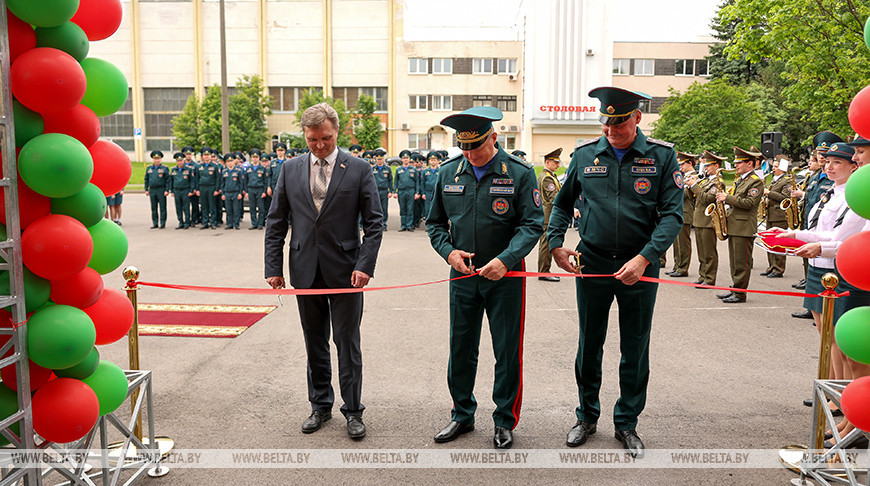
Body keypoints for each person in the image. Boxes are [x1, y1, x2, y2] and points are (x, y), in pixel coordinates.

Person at [547, 87, 682, 457]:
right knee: (589, 343)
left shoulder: (661, 156)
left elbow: (673, 216)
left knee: (634, 347)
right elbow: (561, 205)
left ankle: (626, 422)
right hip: (593, 262)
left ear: (637, 118)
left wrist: (645, 258)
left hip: (640, 265)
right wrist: (555, 243)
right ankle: (586, 416)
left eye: (619, 124)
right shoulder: (585, 154)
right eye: (605, 124)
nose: (611, 131)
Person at [265, 103, 384, 440]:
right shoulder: (290, 169)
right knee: (314, 341)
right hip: (305, 269)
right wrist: (273, 267)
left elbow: (375, 223)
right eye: (313, 139)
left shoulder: (358, 168)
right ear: (304, 136)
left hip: (347, 272)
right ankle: (320, 405)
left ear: (337, 132)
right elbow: (276, 222)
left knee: (347, 342)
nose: (320, 145)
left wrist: (364, 265)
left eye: (326, 138)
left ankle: (353, 410)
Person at [427, 106, 543, 450]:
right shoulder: (449, 172)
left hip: (505, 277)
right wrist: (449, 252)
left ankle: (505, 420)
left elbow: (532, 224)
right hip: (462, 276)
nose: (471, 155)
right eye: (464, 148)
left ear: (493, 138)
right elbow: (435, 224)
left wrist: (506, 260)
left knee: (506, 350)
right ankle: (462, 413)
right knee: (461, 347)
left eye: (476, 147)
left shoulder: (519, 173)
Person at [775, 142, 870, 442]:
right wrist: (795, 235)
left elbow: (851, 237)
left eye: (860, 152)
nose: (855, 157)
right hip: (841, 266)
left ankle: (855, 420)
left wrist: (820, 246)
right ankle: (852, 415)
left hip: (850, 271)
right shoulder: (851, 189)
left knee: (853, 350)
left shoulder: (860, 190)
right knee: (838, 341)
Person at [790, 132, 840, 317]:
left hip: (825, 232)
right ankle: (812, 306)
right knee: (810, 267)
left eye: (825, 154)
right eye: (819, 153)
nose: (821, 157)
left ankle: (820, 308)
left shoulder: (832, 179)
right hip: (811, 228)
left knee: (824, 273)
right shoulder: (815, 176)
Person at [714, 146, 764, 304]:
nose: (736, 165)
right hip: (735, 226)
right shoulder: (741, 180)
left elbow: (749, 203)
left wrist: (727, 198)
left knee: (742, 263)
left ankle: (740, 293)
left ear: (750, 163)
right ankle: (735, 288)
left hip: (744, 228)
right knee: (735, 262)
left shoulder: (756, 181)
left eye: (739, 162)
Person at [685, 151, 725, 287]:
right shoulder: (706, 181)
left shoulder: (718, 183)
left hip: (708, 221)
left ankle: (709, 278)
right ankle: (703, 276)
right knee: (702, 252)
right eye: (705, 165)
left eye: (708, 165)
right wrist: (691, 185)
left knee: (709, 252)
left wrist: (694, 185)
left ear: (716, 166)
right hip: (699, 220)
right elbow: (695, 197)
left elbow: (706, 198)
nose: (706, 168)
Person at [665, 151, 698, 278]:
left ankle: (683, 268)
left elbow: (688, 195)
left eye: (683, 164)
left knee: (684, 243)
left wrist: (675, 190)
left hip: (686, 212)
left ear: (690, 163)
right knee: (677, 242)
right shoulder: (683, 176)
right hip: (678, 211)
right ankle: (677, 266)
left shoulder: (695, 176)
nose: (680, 167)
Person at [761, 154, 791, 278]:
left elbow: (785, 197)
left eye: (776, 166)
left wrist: (768, 193)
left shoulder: (787, 181)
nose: (773, 168)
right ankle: (771, 266)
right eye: (773, 166)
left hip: (779, 216)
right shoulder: (775, 180)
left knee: (778, 243)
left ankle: (778, 268)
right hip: (771, 214)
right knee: (769, 241)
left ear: (783, 167)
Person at [537, 148, 562, 281]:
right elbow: (555, 198)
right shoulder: (547, 178)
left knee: (546, 243)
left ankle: (545, 270)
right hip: (548, 216)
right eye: (555, 162)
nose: (558, 165)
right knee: (546, 244)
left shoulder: (549, 176)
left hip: (548, 215)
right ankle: (543, 271)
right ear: (547, 162)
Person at [393, 149, 420, 232]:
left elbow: (417, 182)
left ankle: (409, 225)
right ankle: (403, 225)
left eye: (407, 158)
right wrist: (395, 192)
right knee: (402, 209)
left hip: (411, 191)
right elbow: (396, 181)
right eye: (404, 158)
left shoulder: (413, 169)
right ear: (402, 159)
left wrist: (417, 192)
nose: (405, 159)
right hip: (401, 191)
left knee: (410, 209)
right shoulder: (398, 169)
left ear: (409, 159)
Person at [195, 147, 222, 230]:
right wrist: (197, 189)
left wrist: (217, 189)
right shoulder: (199, 166)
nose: (206, 156)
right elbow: (196, 179)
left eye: (208, 155)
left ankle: (213, 222)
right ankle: (205, 222)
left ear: (211, 156)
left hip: (211, 187)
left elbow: (218, 179)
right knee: (204, 206)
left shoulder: (215, 166)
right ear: (202, 156)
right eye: (205, 155)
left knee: (212, 206)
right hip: (202, 187)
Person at [144, 150, 169, 229]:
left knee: (162, 208)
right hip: (152, 190)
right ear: (153, 159)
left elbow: (168, 180)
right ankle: (155, 223)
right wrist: (146, 189)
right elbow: (146, 179)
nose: (157, 160)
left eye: (158, 158)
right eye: (155, 159)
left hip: (161, 190)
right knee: (154, 208)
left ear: (161, 159)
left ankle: (162, 223)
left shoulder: (164, 168)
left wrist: (167, 190)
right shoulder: (149, 168)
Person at [221, 153, 246, 230]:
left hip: (236, 192)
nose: (230, 163)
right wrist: (223, 194)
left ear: (234, 161)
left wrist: (240, 193)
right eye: (228, 161)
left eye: (231, 161)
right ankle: (229, 224)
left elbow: (241, 183)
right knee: (228, 210)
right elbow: (222, 184)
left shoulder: (238, 171)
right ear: (226, 162)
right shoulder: (224, 171)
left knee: (236, 209)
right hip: (227, 193)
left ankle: (236, 224)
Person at [246, 149, 270, 229]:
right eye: (253, 157)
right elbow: (245, 181)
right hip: (250, 189)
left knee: (261, 208)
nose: (255, 158)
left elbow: (265, 181)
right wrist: (246, 192)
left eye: (256, 157)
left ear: (259, 158)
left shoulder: (262, 168)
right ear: (251, 158)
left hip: (260, 189)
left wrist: (264, 191)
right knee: (252, 208)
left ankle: (260, 224)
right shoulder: (248, 168)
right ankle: (254, 224)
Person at [168, 152, 193, 229]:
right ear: (176, 161)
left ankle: (187, 222)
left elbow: (192, 181)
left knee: (186, 207)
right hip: (176, 191)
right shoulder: (173, 170)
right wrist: (172, 191)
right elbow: (171, 181)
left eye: (181, 160)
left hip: (185, 190)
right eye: (178, 161)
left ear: (183, 160)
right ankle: (180, 222)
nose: (180, 162)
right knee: (178, 207)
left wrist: (191, 191)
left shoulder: (188, 169)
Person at [371, 150, 393, 229]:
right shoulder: (372, 168)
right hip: (375, 191)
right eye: (378, 159)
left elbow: (390, 180)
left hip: (384, 191)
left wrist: (391, 191)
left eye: (380, 159)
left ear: (383, 159)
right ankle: (376, 224)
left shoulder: (387, 168)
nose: (379, 160)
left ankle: (383, 224)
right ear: (375, 159)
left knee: (384, 208)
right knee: (375, 208)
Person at [182, 146, 201, 225]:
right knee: (185, 205)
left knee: (194, 205)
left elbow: (197, 178)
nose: (188, 156)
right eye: (186, 154)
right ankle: (187, 219)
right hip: (184, 188)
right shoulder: (181, 164)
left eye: (189, 154)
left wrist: (196, 188)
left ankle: (194, 219)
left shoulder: (195, 165)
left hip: (193, 188)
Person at [421, 151, 441, 222]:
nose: (433, 161)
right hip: (428, 192)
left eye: (434, 160)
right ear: (429, 161)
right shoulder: (425, 171)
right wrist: (423, 193)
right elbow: (422, 183)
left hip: (437, 192)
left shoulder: (440, 171)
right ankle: (428, 224)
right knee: (428, 209)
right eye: (431, 160)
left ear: (437, 161)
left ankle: (436, 223)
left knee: (437, 208)